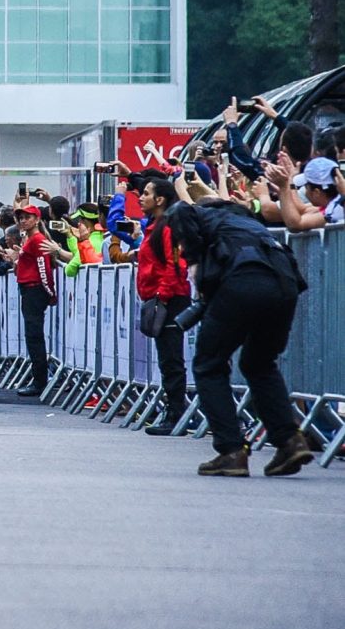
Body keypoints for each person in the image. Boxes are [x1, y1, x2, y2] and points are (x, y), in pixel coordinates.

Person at [164, 201, 315, 478]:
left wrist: (196, 263)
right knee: (259, 363)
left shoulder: (203, 214)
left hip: (245, 279)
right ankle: (290, 440)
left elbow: (178, 210)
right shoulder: (247, 223)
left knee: (209, 364)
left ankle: (231, 449)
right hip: (284, 283)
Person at [133, 179, 193, 437]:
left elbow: (175, 264)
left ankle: (176, 414)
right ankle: (173, 410)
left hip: (170, 299)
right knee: (167, 358)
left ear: (160, 199)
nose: (140, 197)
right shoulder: (154, 227)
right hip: (160, 298)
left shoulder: (168, 227)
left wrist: (163, 296)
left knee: (171, 359)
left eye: (146, 193)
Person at [12, 203, 60, 397]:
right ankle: (38, 378)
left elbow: (44, 269)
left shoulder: (37, 240)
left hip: (35, 291)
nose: (23, 221)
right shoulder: (30, 240)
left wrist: (50, 292)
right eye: (21, 218)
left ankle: (40, 381)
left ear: (37, 219)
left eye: (27, 217)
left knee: (34, 337)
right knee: (33, 336)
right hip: (30, 290)